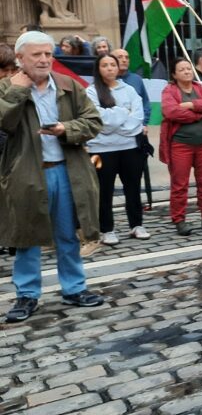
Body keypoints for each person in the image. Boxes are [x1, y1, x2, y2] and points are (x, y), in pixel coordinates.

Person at [0, 31, 105, 322]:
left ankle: (74, 288)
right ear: (20, 58)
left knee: (68, 235)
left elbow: (94, 121)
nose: (45, 59)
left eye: (48, 53)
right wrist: (17, 92)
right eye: (37, 54)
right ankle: (27, 294)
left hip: (67, 171)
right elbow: (3, 123)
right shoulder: (6, 87)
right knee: (26, 238)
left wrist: (65, 129)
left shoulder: (68, 85)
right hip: (25, 174)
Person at [86, 54, 148, 245]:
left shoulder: (129, 90)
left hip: (130, 147)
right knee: (104, 190)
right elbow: (99, 120)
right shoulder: (91, 92)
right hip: (101, 149)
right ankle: (106, 229)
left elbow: (137, 118)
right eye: (105, 65)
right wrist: (122, 113)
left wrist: (117, 123)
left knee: (133, 187)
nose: (110, 68)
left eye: (113, 64)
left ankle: (136, 224)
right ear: (98, 69)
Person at [160, 57, 202, 235]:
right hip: (180, 144)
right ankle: (179, 219)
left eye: (188, 68)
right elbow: (171, 112)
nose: (187, 72)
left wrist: (191, 104)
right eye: (182, 69)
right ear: (174, 74)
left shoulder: (200, 88)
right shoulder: (169, 90)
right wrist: (199, 114)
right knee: (180, 184)